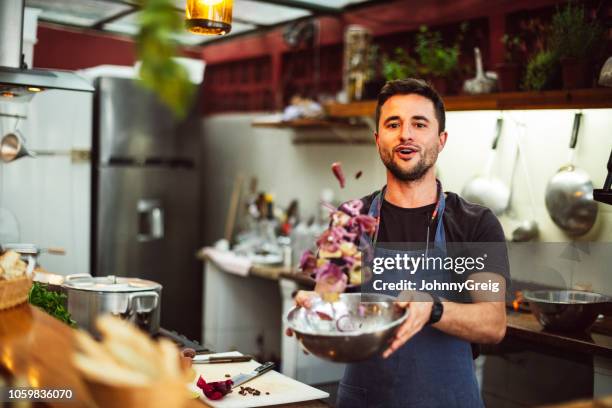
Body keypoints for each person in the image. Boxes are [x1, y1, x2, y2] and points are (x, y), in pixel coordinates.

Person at [289, 79, 509, 408]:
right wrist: (311, 313)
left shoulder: (474, 224)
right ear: (378, 139)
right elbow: (329, 307)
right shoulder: (351, 220)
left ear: (441, 139)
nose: (406, 134)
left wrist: (433, 308)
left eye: (419, 124)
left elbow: (493, 324)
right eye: (393, 124)